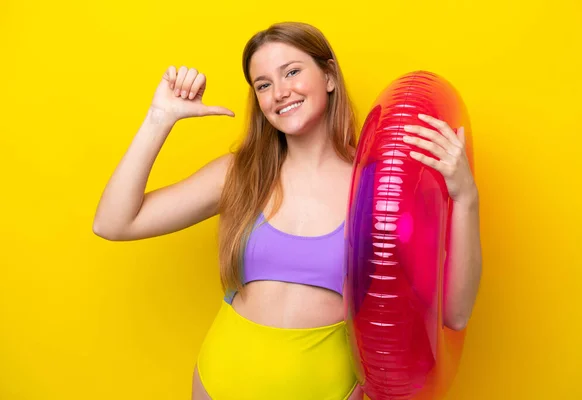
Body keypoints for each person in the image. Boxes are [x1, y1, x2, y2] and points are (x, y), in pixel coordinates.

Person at [93, 21, 482, 400]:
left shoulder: (377, 193)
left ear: (329, 76)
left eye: (291, 71)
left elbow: (455, 315)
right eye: (263, 85)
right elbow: (114, 223)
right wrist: (159, 118)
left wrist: (465, 198)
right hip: (220, 380)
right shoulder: (240, 174)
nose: (279, 92)